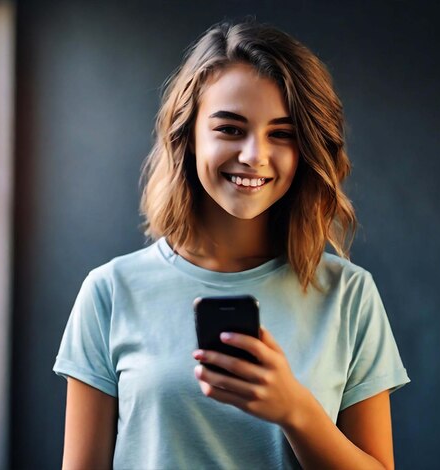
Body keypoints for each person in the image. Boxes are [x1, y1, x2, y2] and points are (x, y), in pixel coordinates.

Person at [53, 19, 410, 470]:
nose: (254, 155)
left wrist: (295, 411)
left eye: (282, 134)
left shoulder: (349, 296)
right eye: (229, 128)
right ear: (187, 136)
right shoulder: (110, 292)